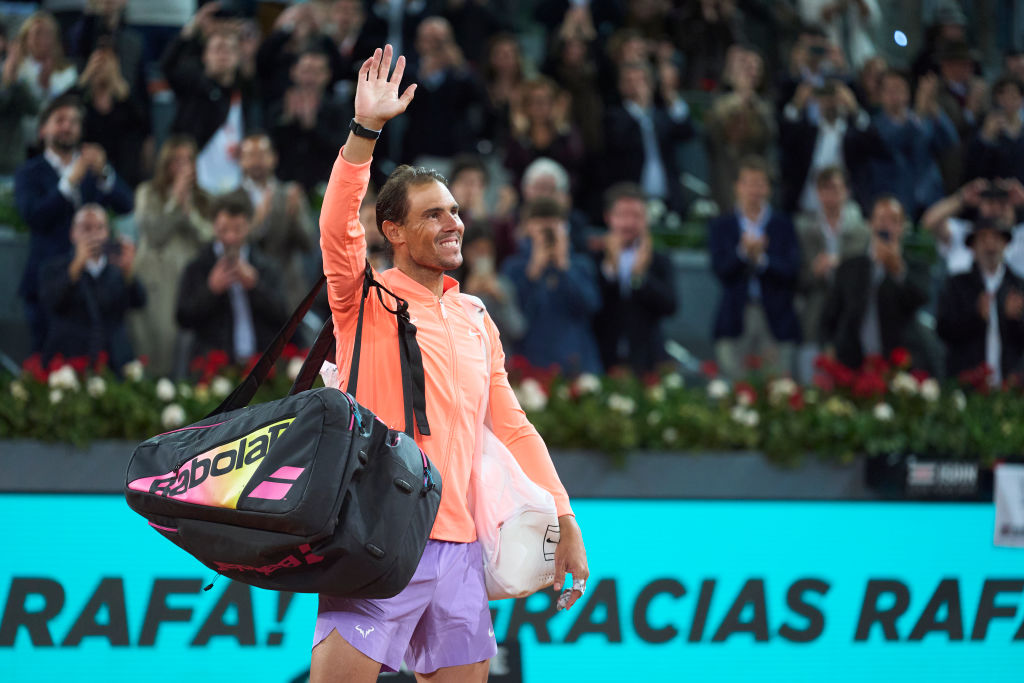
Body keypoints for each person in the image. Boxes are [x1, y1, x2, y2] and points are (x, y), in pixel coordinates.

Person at [313, 45, 588, 681]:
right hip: (377, 541)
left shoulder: (475, 317)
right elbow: (336, 228)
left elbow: (515, 427)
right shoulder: (364, 297)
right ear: (393, 231)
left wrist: (565, 518)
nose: (453, 223)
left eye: (456, 211)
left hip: (461, 550)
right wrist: (365, 132)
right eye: (432, 214)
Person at [15, 92, 133, 353]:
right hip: (49, 285)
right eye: (60, 120)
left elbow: (126, 205)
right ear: (43, 129)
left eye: (74, 121)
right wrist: (68, 183)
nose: (67, 126)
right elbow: (34, 216)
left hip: (96, 287)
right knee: (50, 366)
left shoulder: (94, 170)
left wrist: (104, 173)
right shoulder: (29, 173)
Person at [709, 156, 801, 380]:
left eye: (760, 183)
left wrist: (761, 260)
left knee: (778, 387)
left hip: (776, 319)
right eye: (749, 183)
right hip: (736, 318)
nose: (754, 190)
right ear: (737, 187)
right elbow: (720, 269)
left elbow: (792, 270)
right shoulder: (722, 225)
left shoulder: (783, 225)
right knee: (736, 388)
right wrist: (743, 254)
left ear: (768, 188)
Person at [175, 190, 288, 366]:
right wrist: (210, 290)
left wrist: (255, 286)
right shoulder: (198, 266)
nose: (231, 238)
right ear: (213, 226)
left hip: (260, 364)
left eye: (238, 230)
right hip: (213, 365)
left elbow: (284, 316)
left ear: (249, 226)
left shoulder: (265, 265)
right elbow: (183, 318)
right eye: (224, 230)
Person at [130, 134, 211, 378]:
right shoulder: (148, 192)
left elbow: (211, 239)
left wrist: (189, 213)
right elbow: (154, 233)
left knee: (188, 349)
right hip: (156, 281)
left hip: (190, 282)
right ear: (165, 164)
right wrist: (175, 201)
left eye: (189, 160)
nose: (183, 167)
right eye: (177, 161)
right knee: (158, 345)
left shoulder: (204, 198)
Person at [820, 195, 930, 370]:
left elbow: (920, 300)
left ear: (903, 227)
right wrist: (829, 347)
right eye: (881, 219)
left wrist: (898, 271)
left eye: (893, 220)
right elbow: (831, 314)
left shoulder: (914, 265)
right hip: (854, 363)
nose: (886, 225)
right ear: (870, 223)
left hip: (900, 363)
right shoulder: (849, 267)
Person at [161, 4, 261, 194]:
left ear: (237, 57)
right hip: (195, 185)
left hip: (236, 184)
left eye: (229, 49)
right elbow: (168, 65)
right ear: (205, 56)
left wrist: (248, 56)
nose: (223, 54)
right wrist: (193, 27)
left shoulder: (243, 91)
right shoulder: (192, 83)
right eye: (217, 49)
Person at [502, 196, 604, 375]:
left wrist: (565, 268)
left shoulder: (581, 264)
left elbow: (591, 306)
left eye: (554, 222)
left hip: (576, 363)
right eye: (540, 222)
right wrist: (533, 271)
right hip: (528, 364)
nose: (547, 229)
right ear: (527, 227)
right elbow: (512, 317)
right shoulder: (513, 267)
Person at [38, 203, 145, 372]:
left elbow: (139, 302)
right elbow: (52, 303)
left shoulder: (117, 270)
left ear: (107, 233)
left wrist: (128, 272)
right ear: (73, 234)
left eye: (100, 228)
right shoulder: (53, 268)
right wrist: (76, 267)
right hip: (70, 360)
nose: (94, 235)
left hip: (114, 361)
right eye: (86, 228)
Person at [591, 182, 678, 375]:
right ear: (609, 217)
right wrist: (610, 270)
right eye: (622, 215)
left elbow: (670, 306)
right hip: (603, 355)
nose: (629, 223)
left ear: (645, 219)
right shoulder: (594, 256)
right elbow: (592, 306)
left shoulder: (659, 258)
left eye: (636, 216)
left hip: (647, 358)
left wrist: (640, 277)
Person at [794, 167, 870, 382]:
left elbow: (864, 278)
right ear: (817, 193)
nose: (831, 195)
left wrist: (841, 265)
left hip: (850, 322)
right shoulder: (804, 230)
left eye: (836, 188)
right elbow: (796, 279)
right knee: (812, 382)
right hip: (814, 316)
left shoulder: (862, 231)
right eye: (825, 189)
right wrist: (814, 272)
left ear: (846, 191)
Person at [937, 219, 1024, 386]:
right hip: (968, 381)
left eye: (996, 238)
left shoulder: (1019, 285)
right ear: (973, 247)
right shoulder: (957, 284)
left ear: (1006, 244)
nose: (990, 245)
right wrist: (975, 315)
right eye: (983, 239)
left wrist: (1016, 319)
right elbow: (943, 329)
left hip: (1012, 384)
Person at [238, 133, 317, 311]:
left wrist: (295, 215)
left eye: (262, 154)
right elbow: (230, 246)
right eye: (251, 155)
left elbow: (309, 244)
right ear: (241, 161)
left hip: (288, 291)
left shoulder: (291, 195)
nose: (257, 161)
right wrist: (257, 220)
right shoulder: (232, 200)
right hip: (247, 293)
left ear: (274, 158)